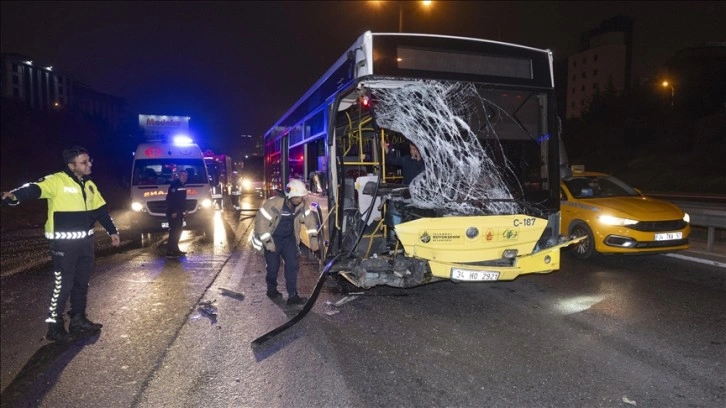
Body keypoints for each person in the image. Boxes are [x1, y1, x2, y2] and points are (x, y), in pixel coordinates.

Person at [1, 146, 120, 342]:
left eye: (89, 160)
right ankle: (54, 327)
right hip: (63, 244)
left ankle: (78, 319)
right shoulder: (56, 181)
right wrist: (13, 196)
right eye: (84, 162)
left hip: (86, 242)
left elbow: (101, 211)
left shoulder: (89, 184)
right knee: (63, 285)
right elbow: (34, 188)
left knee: (81, 283)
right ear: (72, 165)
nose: (89, 164)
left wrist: (112, 231)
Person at [251, 179, 319, 306]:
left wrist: (314, 239)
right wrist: (268, 243)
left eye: (302, 197)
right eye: (298, 197)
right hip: (273, 239)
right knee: (273, 268)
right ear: (290, 195)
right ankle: (271, 289)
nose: (301, 200)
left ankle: (293, 295)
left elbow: (310, 221)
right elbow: (260, 225)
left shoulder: (300, 206)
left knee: (292, 266)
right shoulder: (273, 204)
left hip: (289, 239)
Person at [166, 169, 188, 258]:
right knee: (174, 231)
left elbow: (183, 200)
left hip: (179, 212)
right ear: (179, 175)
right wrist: (172, 211)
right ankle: (170, 251)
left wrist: (186, 209)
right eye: (183, 175)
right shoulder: (174, 186)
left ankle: (176, 250)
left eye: (186, 175)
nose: (185, 177)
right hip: (174, 212)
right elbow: (170, 200)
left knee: (178, 231)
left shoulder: (182, 185)